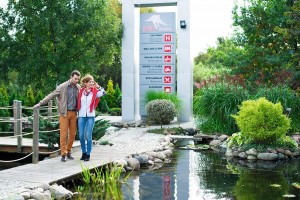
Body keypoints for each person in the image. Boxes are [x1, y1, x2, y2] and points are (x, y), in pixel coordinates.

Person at [33, 70, 81, 162]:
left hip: (74, 113)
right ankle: (63, 154)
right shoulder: (62, 87)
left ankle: (69, 151)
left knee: (72, 134)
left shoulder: (78, 87)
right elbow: (52, 95)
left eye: (78, 79)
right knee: (63, 135)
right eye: (75, 79)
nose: (76, 81)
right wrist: (40, 103)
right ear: (71, 77)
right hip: (64, 113)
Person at [77, 74, 106, 161]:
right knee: (81, 135)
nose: (92, 83)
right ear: (85, 83)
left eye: (93, 82)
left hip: (90, 116)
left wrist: (98, 86)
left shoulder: (95, 92)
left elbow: (104, 93)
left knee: (88, 135)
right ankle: (83, 152)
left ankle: (88, 154)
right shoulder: (81, 91)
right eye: (90, 82)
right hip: (81, 115)